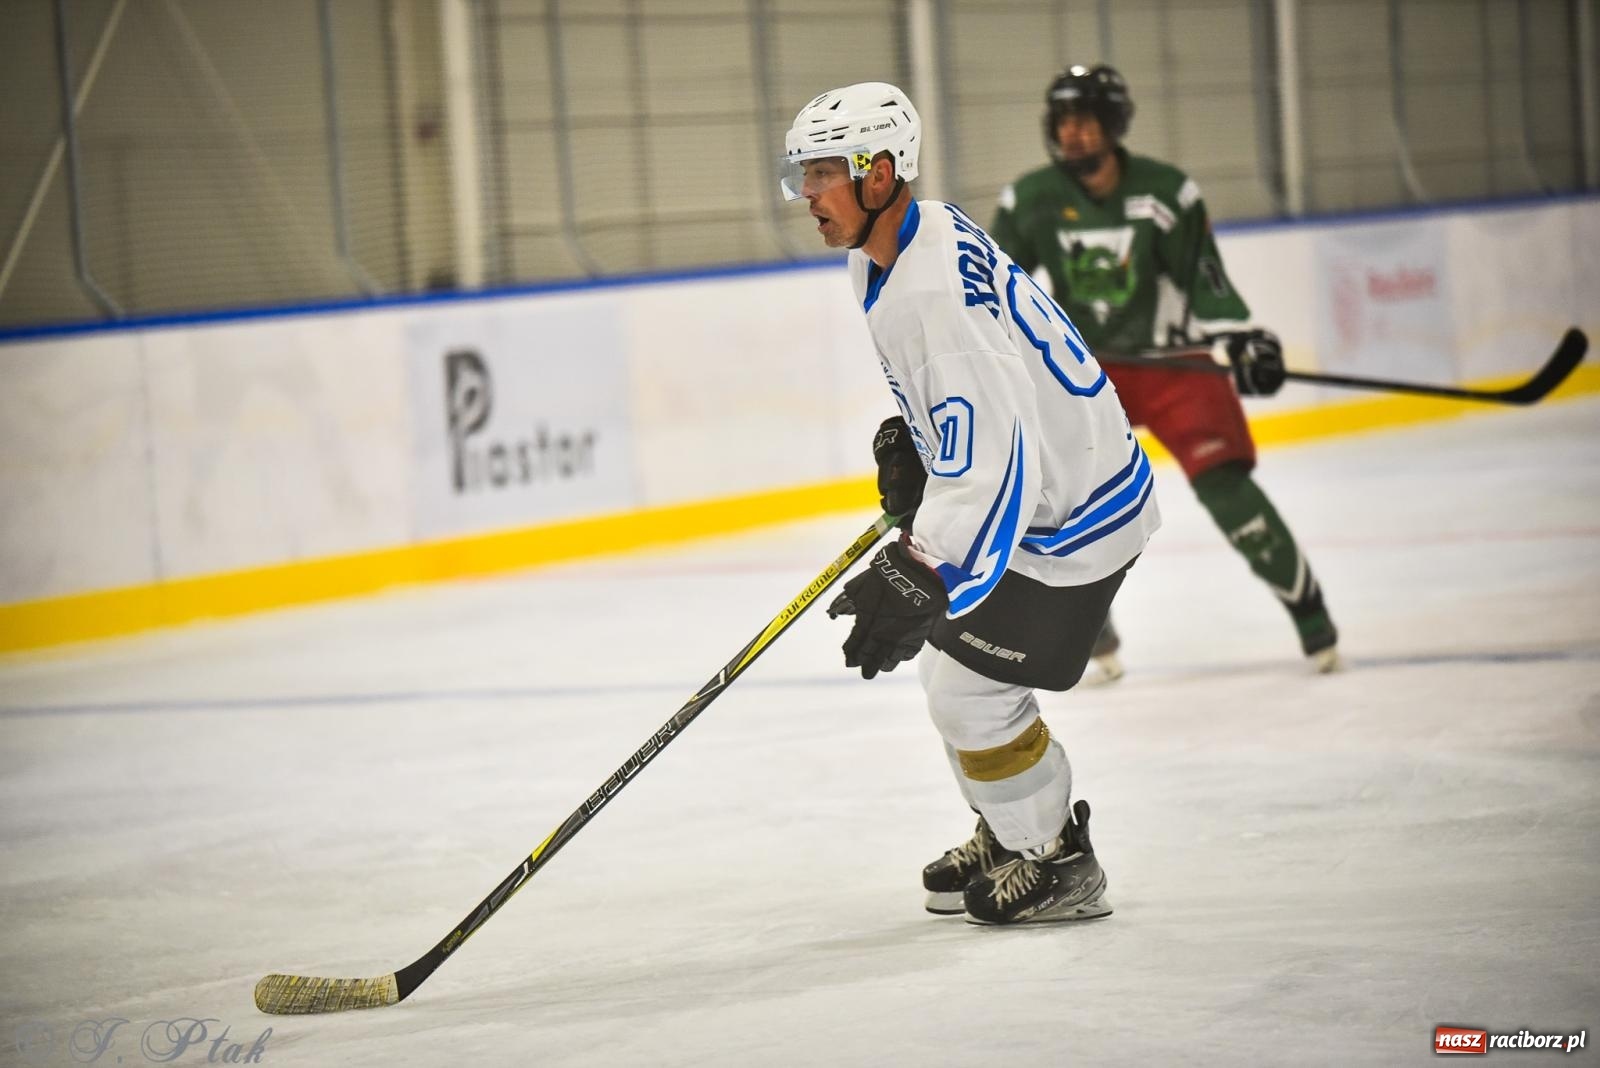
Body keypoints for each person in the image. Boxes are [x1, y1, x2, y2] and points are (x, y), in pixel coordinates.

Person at [778, 82, 1161, 925]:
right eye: (802, 174)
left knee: (967, 689)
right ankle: (1011, 827)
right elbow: (982, 402)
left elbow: (998, 462)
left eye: (824, 173)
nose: (807, 193)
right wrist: (920, 441)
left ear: (882, 173)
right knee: (950, 671)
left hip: (1074, 516)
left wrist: (927, 566)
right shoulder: (901, 246)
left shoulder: (931, 296)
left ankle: (1057, 857)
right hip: (1061, 487)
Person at [989, 64, 1338, 680]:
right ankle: (1090, 628)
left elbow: (1207, 282)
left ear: (1115, 124)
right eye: (1064, 121)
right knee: (1056, 496)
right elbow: (995, 293)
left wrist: (1239, 337)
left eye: (1087, 120)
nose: (1073, 134)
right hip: (1086, 374)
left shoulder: (1166, 192)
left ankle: (1309, 611)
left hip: (1174, 366)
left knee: (1226, 484)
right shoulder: (1031, 199)